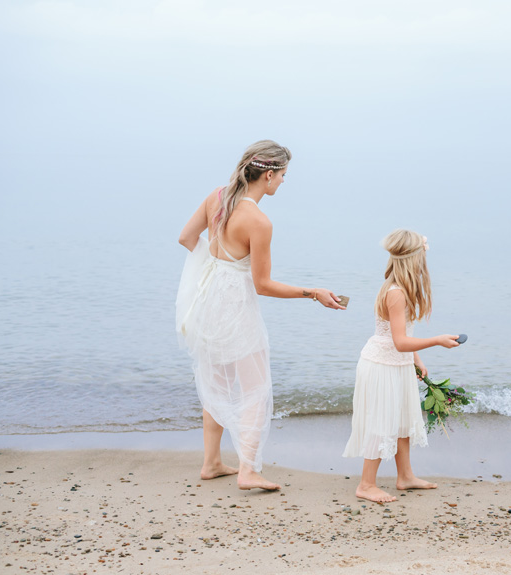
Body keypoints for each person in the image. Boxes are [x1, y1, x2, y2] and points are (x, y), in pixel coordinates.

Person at [176, 140, 345, 491]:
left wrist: (215, 268)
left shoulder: (217, 197)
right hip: (235, 305)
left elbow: (186, 238)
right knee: (255, 387)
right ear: (268, 175)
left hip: (208, 299)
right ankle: (248, 470)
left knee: (217, 382)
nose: (283, 181)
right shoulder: (259, 221)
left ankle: (211, 463)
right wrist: (313, 293)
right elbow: (263, 284)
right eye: (283, 175)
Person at [342, 229, 459, 503]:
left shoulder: (402, 289)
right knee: (381, 422)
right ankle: (366, 484)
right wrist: (437, 341)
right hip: (381, 364)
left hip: (398, 362)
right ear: (412, 260)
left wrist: (416, 359)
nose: (424, 263)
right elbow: (399, 342)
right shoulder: (396, 294)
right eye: (422, 257)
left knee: (403, 420)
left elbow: (404, 336)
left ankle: (405, 476)